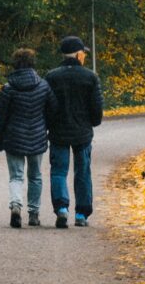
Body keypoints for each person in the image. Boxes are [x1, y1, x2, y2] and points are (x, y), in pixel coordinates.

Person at [0, 47, 57, 229]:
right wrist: (49, 131)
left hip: (13, 139)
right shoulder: (43, 86)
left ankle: (15, 206)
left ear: (15, 64)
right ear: (32, 63)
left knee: (16, 176)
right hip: (37, 137)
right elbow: (53, 111)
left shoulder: (8, 88)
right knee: (35, 176)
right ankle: (34, 214)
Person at [46, 35, 103, 228]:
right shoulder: (90, 77)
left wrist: (50, 123)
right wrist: (92, 122)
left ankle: (62, 209)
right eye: (83, 53)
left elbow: (47, 105)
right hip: (82, 133)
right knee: (83, 172)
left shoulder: (52, 76)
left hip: (58, 132)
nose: (85, 57)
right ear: (78, 55)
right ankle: (81, 214)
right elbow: (97, 109)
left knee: (59, 171)